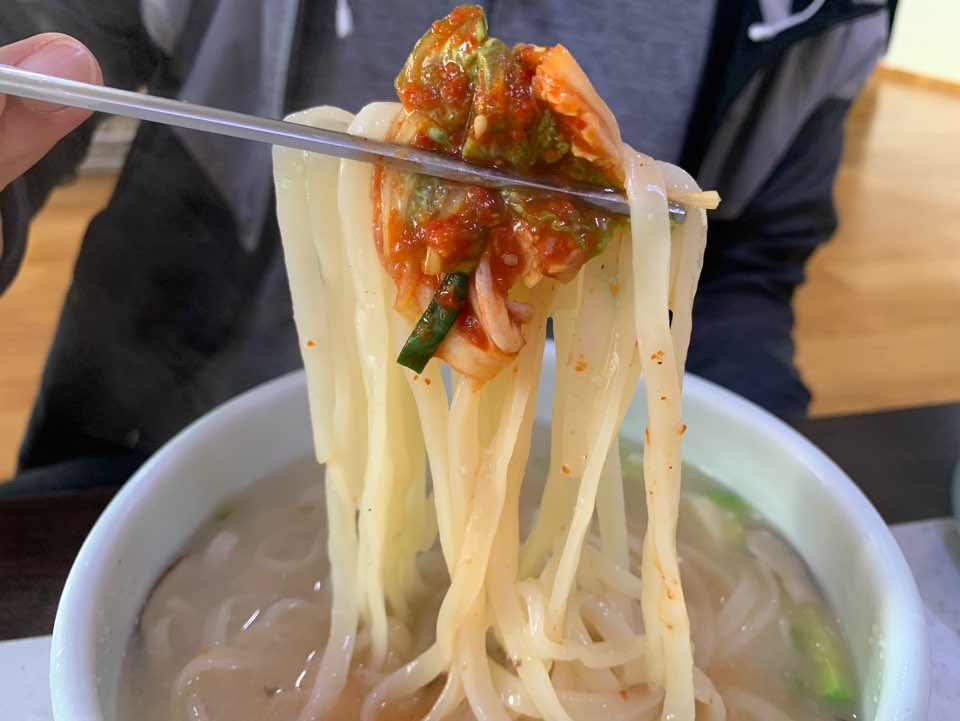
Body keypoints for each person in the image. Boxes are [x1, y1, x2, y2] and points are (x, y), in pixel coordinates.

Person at [0, 1, 889, 494]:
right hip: (147, 442)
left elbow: (748, 259)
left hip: (560, 469)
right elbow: (45, 48)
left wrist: (747, 480)